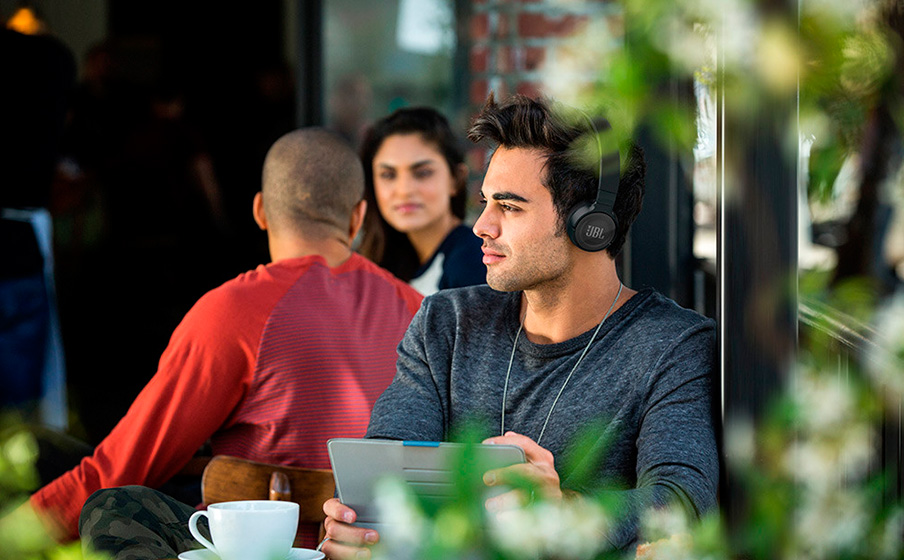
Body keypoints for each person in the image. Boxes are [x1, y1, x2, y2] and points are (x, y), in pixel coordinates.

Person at [319, 94, 718, 558]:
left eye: (509, 206)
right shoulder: (444, 323)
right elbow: (383, 471)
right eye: (486, 202)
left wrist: (564, 510)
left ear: (591, 224)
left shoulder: (673, 345)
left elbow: (681, 501)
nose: (481, 226)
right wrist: (363, 528)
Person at [3, 128, 423, 550]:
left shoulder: (236, 311)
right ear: (358, 217)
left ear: (260, 211)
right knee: (51, 452)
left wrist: (12, 537)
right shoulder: (419, 309)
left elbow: (124, 467)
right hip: (378, 549)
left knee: (96, 493)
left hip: (254, 550)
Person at [357, 107, 486, 295]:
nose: (404, 190)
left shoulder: (472, 262)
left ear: (456, 179)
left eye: (422, 173)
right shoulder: (387, 262)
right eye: (388, 175)